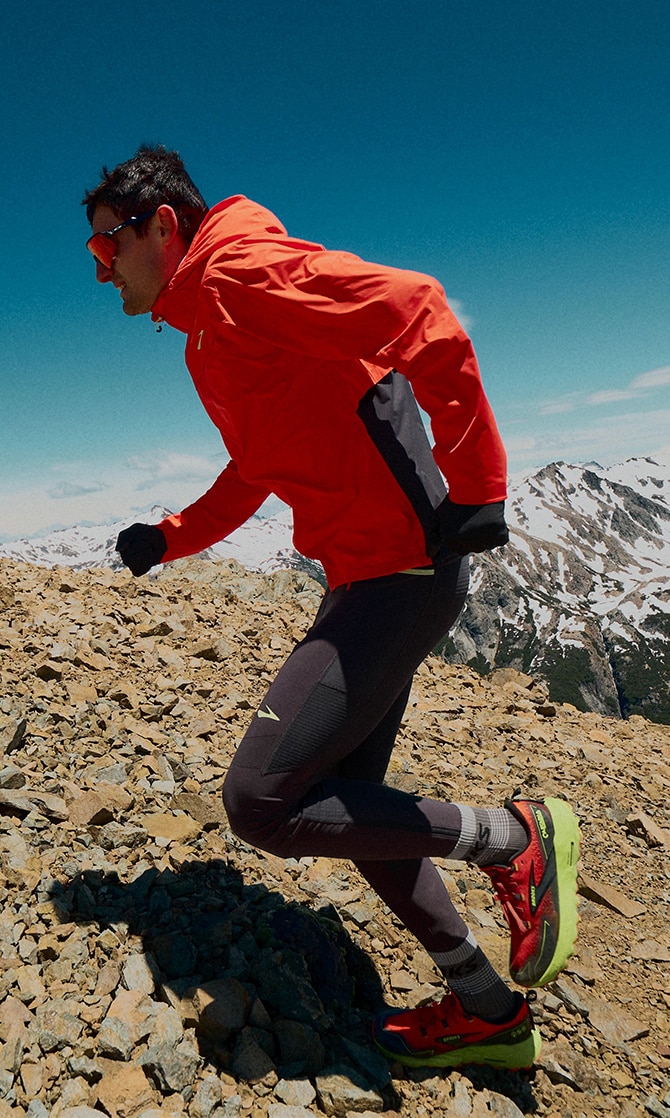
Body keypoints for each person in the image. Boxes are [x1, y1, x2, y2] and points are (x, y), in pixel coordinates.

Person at [83, 145, 580, 1070]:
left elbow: (418, 309)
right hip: (365, 573)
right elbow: (259, 464)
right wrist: (172, 534)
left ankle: (516, 836)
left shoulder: (237, 271)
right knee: (352, 806)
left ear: (163, 225)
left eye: (106, 244)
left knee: (263, 800)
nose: (98, 266)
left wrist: (478, 484)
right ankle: (487, 1011)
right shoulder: (209, 336)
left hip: (401, 571)